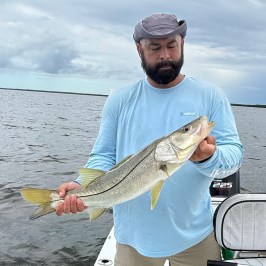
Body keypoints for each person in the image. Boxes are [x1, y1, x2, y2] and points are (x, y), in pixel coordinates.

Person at [56, 13, 243, 266]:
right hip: (133, 238)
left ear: (183, 44)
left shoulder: (211, 96)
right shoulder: (119, 100)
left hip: (194, 236)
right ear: (139, 49)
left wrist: (210, 158)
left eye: (171, 45)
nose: (165, 55)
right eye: (155, 47)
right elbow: (103, 156)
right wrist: (81, 186)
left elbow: (234, 156)